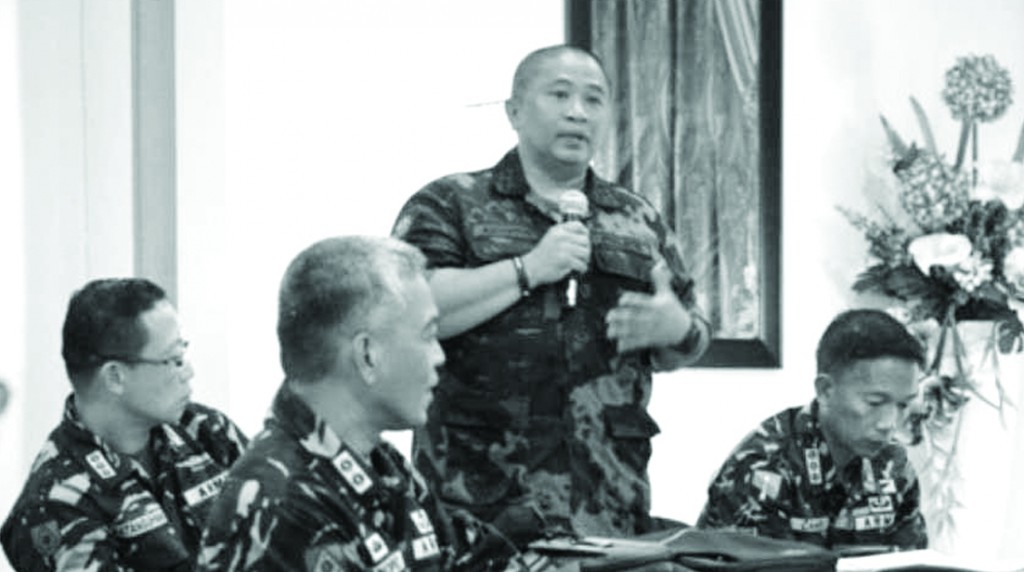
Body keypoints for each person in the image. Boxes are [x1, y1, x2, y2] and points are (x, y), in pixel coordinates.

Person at [391, 44, 711, 541]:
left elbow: (690, 338)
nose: (578, 112)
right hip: (478, 510)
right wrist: (527, 269)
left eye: (594, 99)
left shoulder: (637, 219)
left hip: (608, 510)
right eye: (560, 95)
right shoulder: (450, 203)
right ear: (514, 112)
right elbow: (410, 312)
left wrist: (678, 330)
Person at [196, 236, 550, 571]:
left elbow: (464, 556)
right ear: (368, 355)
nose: (439, 356)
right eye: (428, 335)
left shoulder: (379, 464)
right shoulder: (283, 502)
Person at [1, 278, 249, 571]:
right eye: (174, 359)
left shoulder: (206, 431)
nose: (188, 372)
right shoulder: (56, 502)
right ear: (115, 377)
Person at [696, 309, 929, 551]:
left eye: (903, 405)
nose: (889, 423)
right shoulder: (763, 468)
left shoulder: (893, 466)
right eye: (875, 403)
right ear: (826, 390)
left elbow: (913, 561)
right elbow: (747, 565)